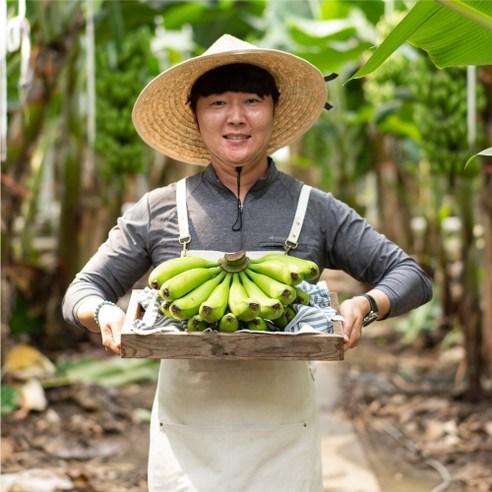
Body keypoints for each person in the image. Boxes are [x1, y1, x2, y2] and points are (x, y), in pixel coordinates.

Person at [62, 34, 432, 491]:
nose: (236, 118)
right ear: (195, 116)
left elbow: (411, 276)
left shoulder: (313, 208)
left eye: (252, 101)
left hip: (283, 442)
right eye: (217, 102)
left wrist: (367, 306)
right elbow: (81, 290)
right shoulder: (159, 209)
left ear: (274, 112)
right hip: (186, 444)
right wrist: (103, 313)